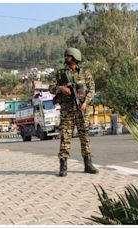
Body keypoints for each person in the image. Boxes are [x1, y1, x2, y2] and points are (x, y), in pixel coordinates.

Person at [49, 47, 99, 177]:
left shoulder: (85, 73)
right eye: (66, 56)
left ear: (75, 57)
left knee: (85, 137)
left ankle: (88, 164)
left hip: (82, 110)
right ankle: (63, 166)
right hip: (67, 111)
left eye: (68, 56)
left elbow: (92, 90)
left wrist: (85, 102)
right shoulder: (60, 73)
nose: (66, 58)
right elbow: (51, 88)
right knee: (65, 137)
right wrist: (61, 88)